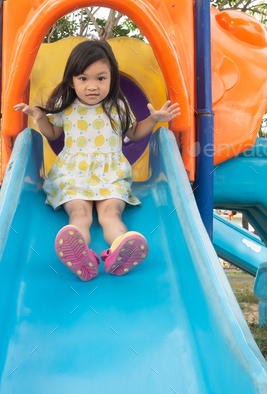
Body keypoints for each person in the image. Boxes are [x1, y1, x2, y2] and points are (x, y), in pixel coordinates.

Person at [14, 40, 180, 282]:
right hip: (73, 175)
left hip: (110, 175)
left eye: (101, 78)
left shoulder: (118, 107)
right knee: (80, 213)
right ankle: (80, 253)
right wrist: (40, 118)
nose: (92, 86)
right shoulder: (66, 108)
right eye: (83, 79)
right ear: (72, 81)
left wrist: (154, 119)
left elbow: (132, 134)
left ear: (112, 78)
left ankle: (121, 247)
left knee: (111, 213)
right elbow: (52, 134)